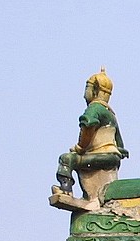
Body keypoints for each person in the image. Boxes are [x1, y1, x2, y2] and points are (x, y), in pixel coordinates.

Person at [53, 68, 127, 202]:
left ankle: (65, 190)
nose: (84, 95)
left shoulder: (94, 109)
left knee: (66, 159)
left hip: (103, 155)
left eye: (87, 88)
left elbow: (88, 127)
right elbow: (120, 144)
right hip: (112, 157)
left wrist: (80, 148)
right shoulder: (110, 114)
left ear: (95, 90)